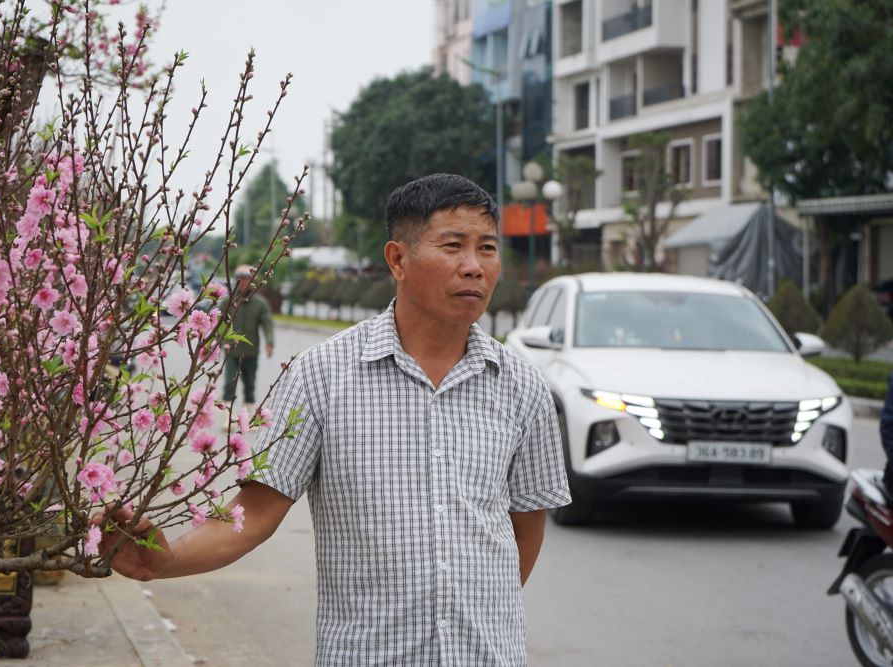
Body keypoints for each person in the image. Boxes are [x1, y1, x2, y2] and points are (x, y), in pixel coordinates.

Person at [101, 174, 571, 665]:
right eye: (453, 246)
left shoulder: (522, 384)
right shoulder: (320, 376)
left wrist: (470, 614)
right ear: (398, 260)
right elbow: (254, 515)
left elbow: (524, 531)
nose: (474, 267)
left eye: (488, 249)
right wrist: (166, 559)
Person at [219, 264, 274, 417]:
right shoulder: (228, 302)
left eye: (245, 279)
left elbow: (267, 323)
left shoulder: (260, 304)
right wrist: (216, 344)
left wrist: (269, 342)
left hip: (251, 352)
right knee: (230, 383)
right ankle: (227, 417)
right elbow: (219, 322)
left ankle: (249, 416)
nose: (242, 282)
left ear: (252, 281)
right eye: (239, 279)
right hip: (232, 352)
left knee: (249, 385)